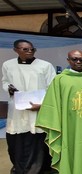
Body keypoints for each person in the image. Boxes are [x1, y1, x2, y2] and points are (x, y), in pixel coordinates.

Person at [35, 50, 82, 174]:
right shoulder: (59, 80)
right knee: (69, 152)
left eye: (81, 59)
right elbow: (52, 103)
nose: (78, 62)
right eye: (75, 59)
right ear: (68, 60)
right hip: (67, 126)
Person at [1, 39, 56, 174]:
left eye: (32, 49)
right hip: (18, 111)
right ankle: (19, 168)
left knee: (38, 140)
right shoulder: (8, 65)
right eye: (25, 49)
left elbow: (52, 87)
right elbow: (5, 81)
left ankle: (41, 170)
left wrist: (43, 105)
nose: (30, 51)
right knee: (16, 142)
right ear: (16, 50)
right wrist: (9, 88)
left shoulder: (45, 65)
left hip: (39, 109)